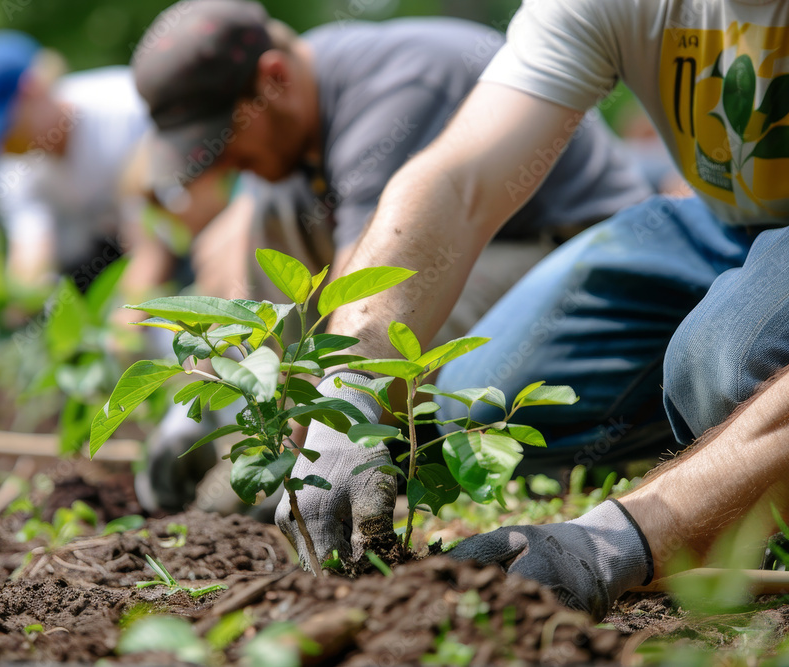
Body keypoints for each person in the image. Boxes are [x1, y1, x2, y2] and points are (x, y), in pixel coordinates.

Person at [268, 0, 789, 621]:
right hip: (717, 223)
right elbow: (458, 183)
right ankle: (715, 426)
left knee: (733, 368)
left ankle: (730, 430)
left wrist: (621, 538)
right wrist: (349, 388)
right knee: (481, 406)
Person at [128, 0, 658, 512]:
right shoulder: (295, 121)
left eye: (224, 139)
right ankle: (303, 447)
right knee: (271, 206)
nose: (222, 163)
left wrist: (305, 445)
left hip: (571, 249)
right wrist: (201, 410)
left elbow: (369, 290)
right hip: (482, 248)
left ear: (274, 79)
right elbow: (246, 268)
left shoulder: (397, 88)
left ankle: (344, 459)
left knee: (395, 336)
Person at [0, 30, 228, 298]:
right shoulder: (16, 166)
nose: (1, 143)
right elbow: (31, 262)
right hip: (112, 253)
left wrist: (122, 328)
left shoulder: (125, 112)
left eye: (5, 125)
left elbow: (153, 248)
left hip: (184, 237)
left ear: (32, 90)